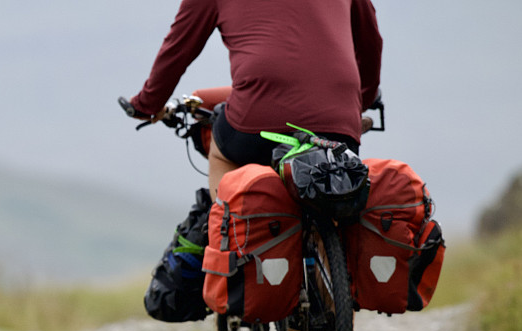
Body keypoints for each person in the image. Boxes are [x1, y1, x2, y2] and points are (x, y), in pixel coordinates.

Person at [127, 0, 383, 199]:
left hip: (258, 119)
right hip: (339, 119)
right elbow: (371, 43)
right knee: (339, 195)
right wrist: (362, 101)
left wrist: (146, 105)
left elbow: (177, 49)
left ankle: (226, 231)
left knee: (220, 152)